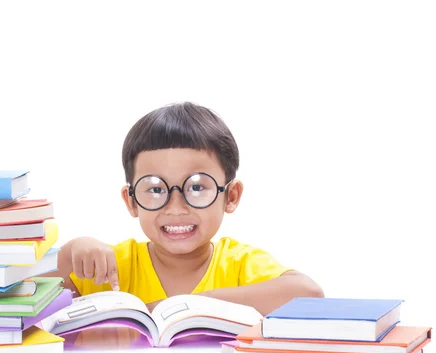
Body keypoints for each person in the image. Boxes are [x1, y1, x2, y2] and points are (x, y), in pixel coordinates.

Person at [51, 102, 323, 315]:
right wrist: (66, 256)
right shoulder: (112, 268)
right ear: (131, 201)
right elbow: (18, 307)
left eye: (196, 187)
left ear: (231, 195)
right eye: (156, 189)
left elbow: (309, 295)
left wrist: (189, 306)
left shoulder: (239, 264)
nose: (176, 208)